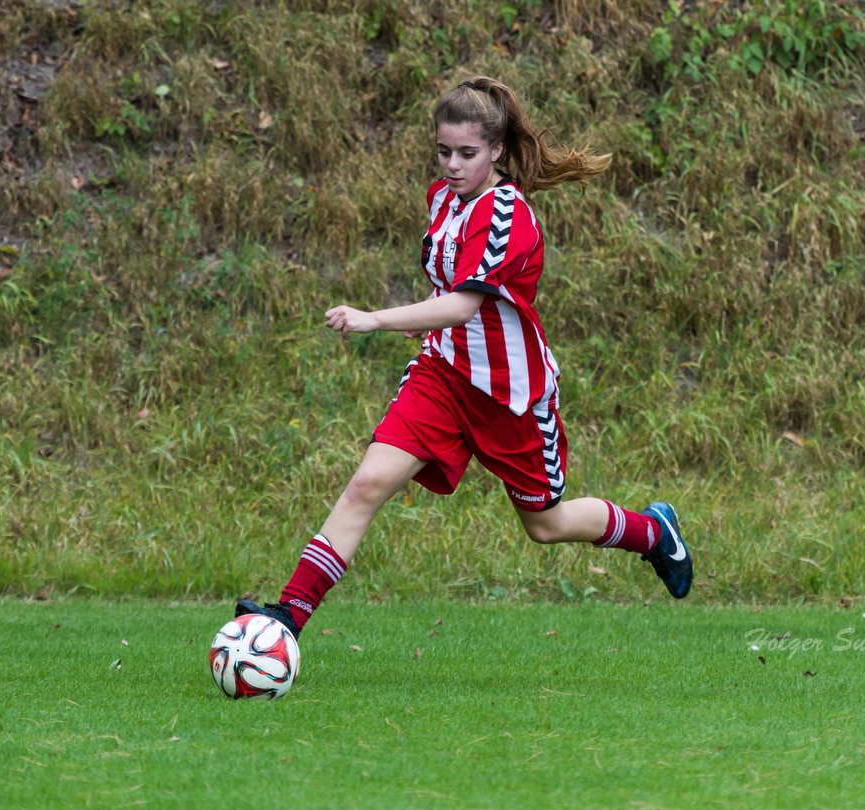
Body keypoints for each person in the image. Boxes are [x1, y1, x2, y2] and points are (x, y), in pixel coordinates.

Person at [236, 77, 693, 642]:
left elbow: (463, 305)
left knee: (545, 525)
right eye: (443, 151)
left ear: (496, 151)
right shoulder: (443, 198)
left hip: (509, 395)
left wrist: (375, 319)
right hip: (442, 377)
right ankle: (287, 619)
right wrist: (418, 323)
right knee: (367, 484)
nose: (452, 164)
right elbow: (444, 292)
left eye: (467, 153)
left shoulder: (508, 215)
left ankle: (653, 533)